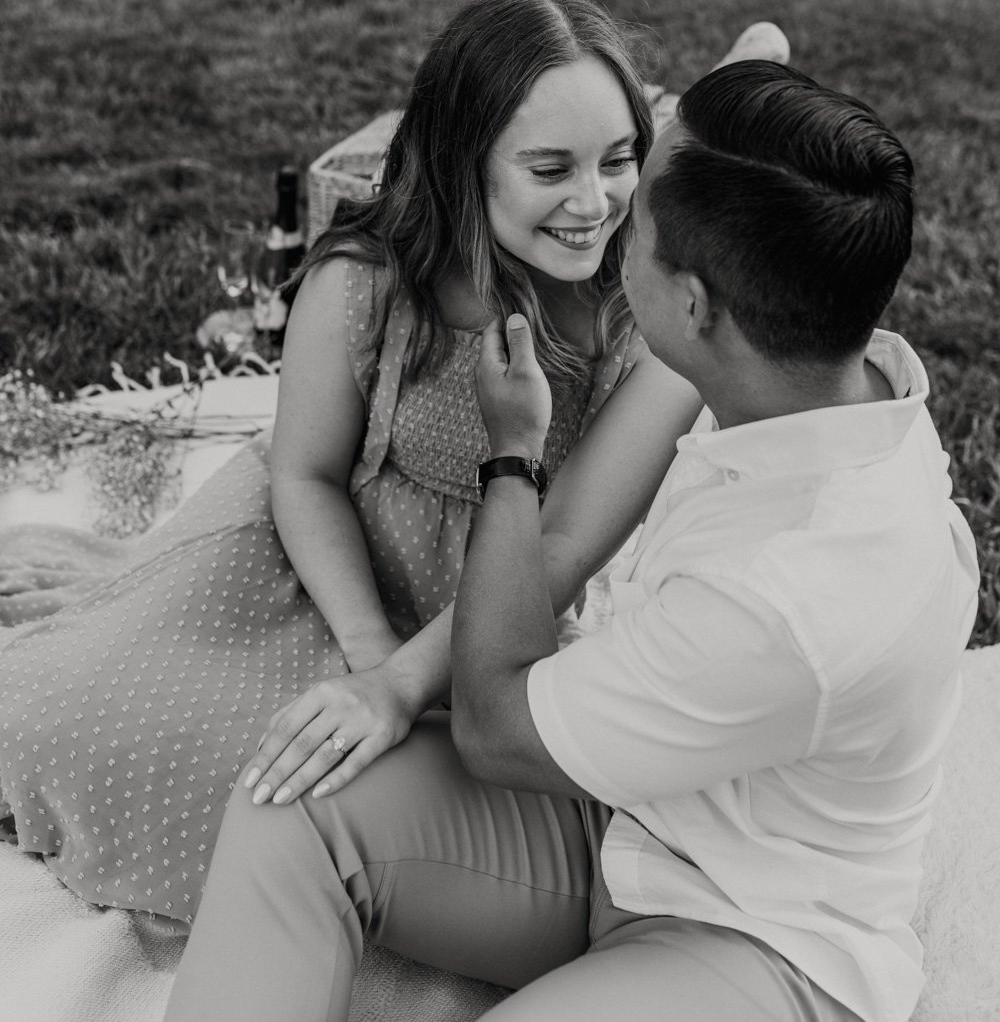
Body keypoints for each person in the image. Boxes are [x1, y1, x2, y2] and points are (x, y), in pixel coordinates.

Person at [164, 61, 979, 1022]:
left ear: (693, 307)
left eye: (638, 217)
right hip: (612, 817)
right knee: (294, 806)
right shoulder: (820, 369)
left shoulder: (791, 595)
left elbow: (496, 726)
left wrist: (511, 456)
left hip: (750, 932)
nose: (608, 210)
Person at [0, 0, 709, 925]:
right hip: (306, 556)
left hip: (491, 613)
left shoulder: (643, 315)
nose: (594, 202)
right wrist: (367, 653)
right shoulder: (367, 280)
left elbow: (560, 550)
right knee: (103, 722)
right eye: (550, 170)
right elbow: (303, 474)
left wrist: (400, 686)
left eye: (619, 159)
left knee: (338, 806)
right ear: (467, 167)